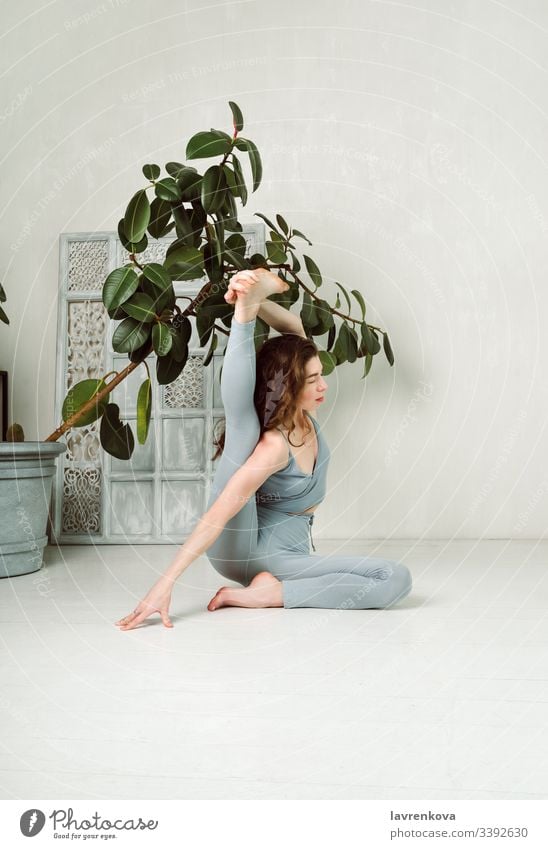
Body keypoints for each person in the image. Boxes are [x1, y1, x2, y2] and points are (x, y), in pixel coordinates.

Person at [115, 268, 412, 630]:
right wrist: (164, 584)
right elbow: (221, 510)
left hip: (287, 555)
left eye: (321, 375)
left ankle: (268, 589)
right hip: (241, 548)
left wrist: (254, 299)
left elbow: (291, 330)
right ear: (288, 386)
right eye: (313, 379)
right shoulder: (272, 446)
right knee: (243, 431)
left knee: (395, 577)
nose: (324, 386)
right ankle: (269, 595)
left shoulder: (301, 407)